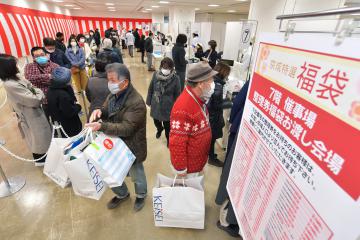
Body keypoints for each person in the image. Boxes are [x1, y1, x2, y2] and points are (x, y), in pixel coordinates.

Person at [86, 63, 148, 212]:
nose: (109, 84)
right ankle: (122, 194)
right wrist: (98, 111)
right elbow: (107, 109)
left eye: (113, 80)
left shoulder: (136, 102)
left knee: (137, 174)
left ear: (124, 82)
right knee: (110, 171)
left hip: (132, 145)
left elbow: (127, 128)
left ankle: (141, 194)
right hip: (113, 142)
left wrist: (103, 127)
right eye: (109, 80)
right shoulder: (114, 94)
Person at [1, 54, 51, 166]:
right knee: (37, 138)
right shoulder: (10, 84)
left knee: (41, 136)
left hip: (34, 112)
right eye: (14, 64)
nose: (17, 66)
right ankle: (41, 160)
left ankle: (43, 157)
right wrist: (38, 91)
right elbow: (35, 99)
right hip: (30, 114)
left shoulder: (16, 77)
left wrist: (34, 89)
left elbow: (31, 87)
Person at [169, 62, 217, 177]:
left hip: (197, 162)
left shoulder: (199, 99)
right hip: (189, 169)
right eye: (211, 80)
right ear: (201, 83)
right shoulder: (183, 107)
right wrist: (181, 170)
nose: (212, 84)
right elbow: (177, 143)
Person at [215, 80, 249, 238]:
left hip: (243, 129)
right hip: (242, 132)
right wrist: (231, 122)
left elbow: (237, 102)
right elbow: (237, 102)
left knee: (234, 174)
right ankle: (225, 219)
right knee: (233, 175)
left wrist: (231, 121)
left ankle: (229, 217)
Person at [146, 57, 181, 146]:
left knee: (168, 126)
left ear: (172, 68)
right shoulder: (156, 75)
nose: (165, 70)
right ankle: (159, 129)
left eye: (168, 68)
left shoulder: (176, 78)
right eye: (164, 68)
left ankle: (168, 139)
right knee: (156, 121)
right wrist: (148, 101)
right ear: (161, 67)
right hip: (156, 103)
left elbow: (177, 94)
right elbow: (151, 89)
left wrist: (177, 108)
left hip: (168, 106)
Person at [207, 62, 231, 167]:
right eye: (227, 74)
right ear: (223, 73)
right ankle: (211, 158)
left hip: (209, 115)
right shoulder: (218, 86)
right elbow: (216, 105)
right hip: (213, 117)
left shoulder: (212, 80)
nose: (228, 76)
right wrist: (229, 102)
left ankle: (210, 155)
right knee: (212, 138)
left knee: (210, 138)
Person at [47, 67, 82, 137]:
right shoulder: (63, 95)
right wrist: (78, 107)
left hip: (59, 121)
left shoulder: (51, 88)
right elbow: (69, 112)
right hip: (69, 126)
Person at [25, 46, 59, 118]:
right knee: (46, 119)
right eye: (37, 56)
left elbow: (58, 78)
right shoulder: (29, 66)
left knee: (58, 118)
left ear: (46, 55)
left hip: (56, 97)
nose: (40, 57)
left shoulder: (55, 65)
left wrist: (39, 79)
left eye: (42, 55)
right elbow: (29, 78)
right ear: (33, 58)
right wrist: (48, 76)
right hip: (42, 100)